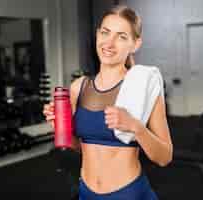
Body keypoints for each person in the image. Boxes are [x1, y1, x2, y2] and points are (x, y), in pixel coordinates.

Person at [43, 4, 173, 200]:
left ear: (135, 44)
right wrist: (60, 127)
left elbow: (164, 157)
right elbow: (78, 147)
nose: (109, 43)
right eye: (105, 33)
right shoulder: (79, 87)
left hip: (129, 194)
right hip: (86, 193)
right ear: (97, 35)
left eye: (121, 37)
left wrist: (136, 127)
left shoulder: (141, 88)